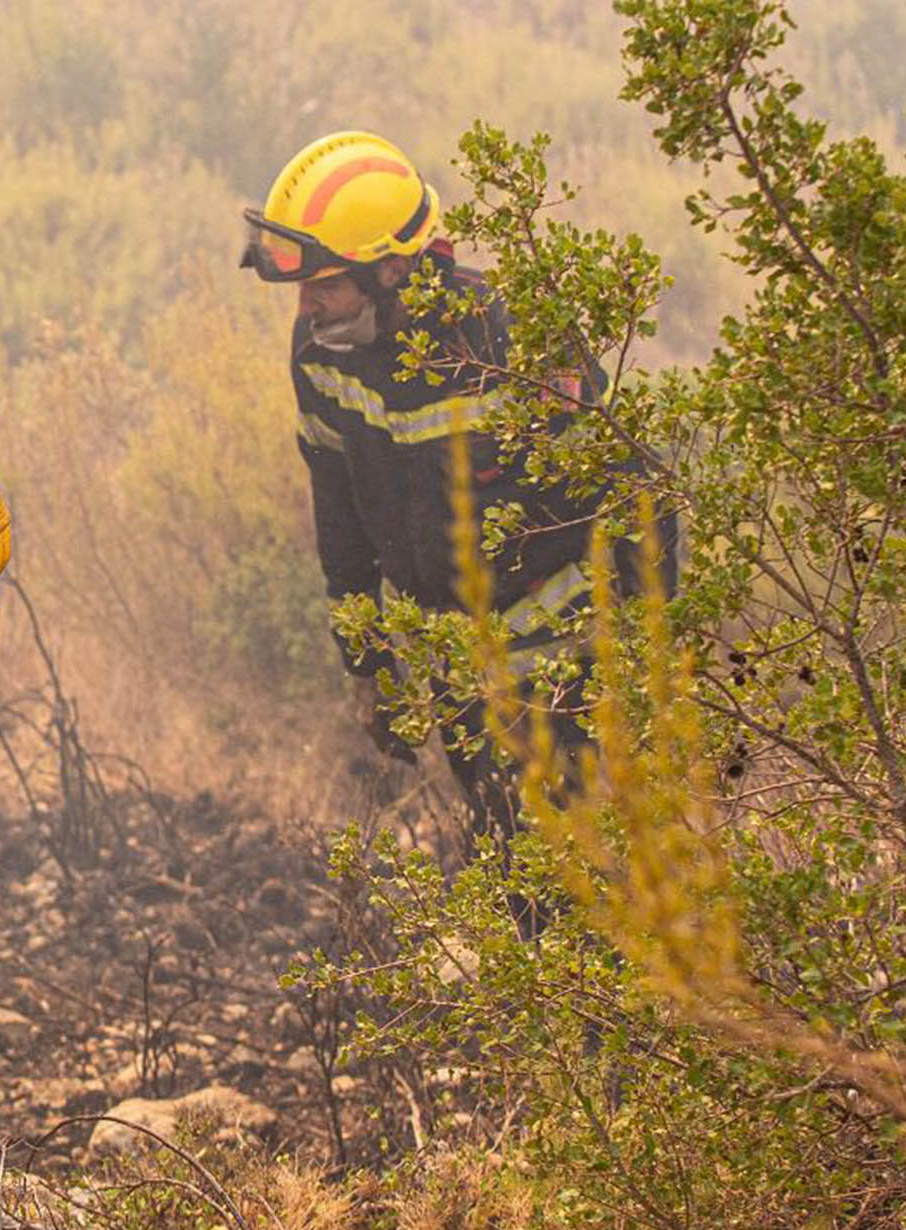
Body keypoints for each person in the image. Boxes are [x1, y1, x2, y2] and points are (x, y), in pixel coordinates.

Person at [240, 131, 663, 839]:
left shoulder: (512, 332)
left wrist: (657, 655)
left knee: (582, 869)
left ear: (393, 269)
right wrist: (368, 664)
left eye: (325, 283)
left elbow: (633, 492)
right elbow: (339, 514)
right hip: (458, 676)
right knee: (505, 858)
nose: (307, 305)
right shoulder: (319, 355)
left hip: (569, 662)